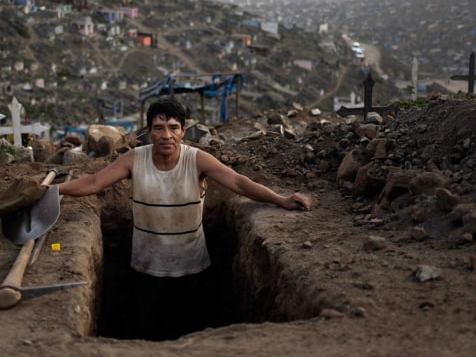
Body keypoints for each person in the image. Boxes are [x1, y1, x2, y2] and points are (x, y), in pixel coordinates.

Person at [53, 97, 312, 340]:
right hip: (146, 269)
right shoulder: (135, 159)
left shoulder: (196, 160)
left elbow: (239, 183)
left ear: (183, 131)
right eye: (159, 128)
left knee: (191, 334)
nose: (166, 135)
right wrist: (53, 191)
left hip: (192, 269)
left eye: (173, 128)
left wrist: (281, 200)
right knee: (148, 334)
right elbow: (95, 182)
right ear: (148, 131)